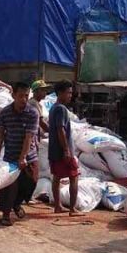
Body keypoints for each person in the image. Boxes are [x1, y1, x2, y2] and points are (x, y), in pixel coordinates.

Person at [0, 82, 39, 227]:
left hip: (29, 156)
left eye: (26, 96)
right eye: (20, 96)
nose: (24, 99)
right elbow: (0, 132)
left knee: (31, 183)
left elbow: (29, 137)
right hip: (10, 156)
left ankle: (17, 204)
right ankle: (6, 215)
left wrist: (23, 157)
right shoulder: (5, 112)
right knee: (9, 187)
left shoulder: (32, 113)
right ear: (13, 95)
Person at [49, 81, 79, 215]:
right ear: (60, 93)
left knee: (56, 177)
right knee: (74, 177)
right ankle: (72, 209)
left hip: (54, 150)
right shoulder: (61, 109)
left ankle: (57, 206)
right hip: (62, 151)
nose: (70, 95)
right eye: (68, 92)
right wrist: (66, 150)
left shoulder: (53, 108)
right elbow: (60, 129)